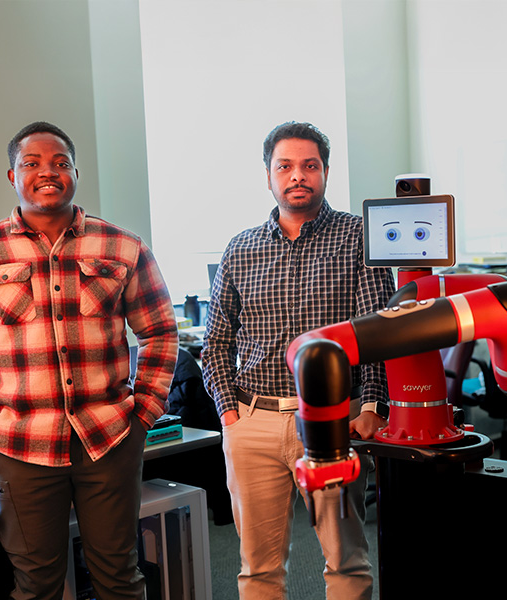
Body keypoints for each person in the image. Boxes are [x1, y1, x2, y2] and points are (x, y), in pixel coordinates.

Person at [0, 121, 178, 599]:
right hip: (19, 445)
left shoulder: (123, 247)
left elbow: (160, 332)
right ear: (12, 176)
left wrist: (144, 413)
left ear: (75, 173)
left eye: (60, 163)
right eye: (32, 163)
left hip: (109, 439)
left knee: (120, 579)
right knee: (36, 586)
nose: (48, 172)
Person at [202, 121, 395, 599]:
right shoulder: (241, 248)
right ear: (268, 175)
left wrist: (370, 406)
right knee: (257, 568)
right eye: (285, 166)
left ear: (326, 172)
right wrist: (230, 411)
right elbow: (216, 341)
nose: (298, 176)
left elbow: (376, 335)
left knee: (345, 561)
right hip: (254, 420)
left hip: (334, 422)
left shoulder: (358, 239)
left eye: (310, 165)